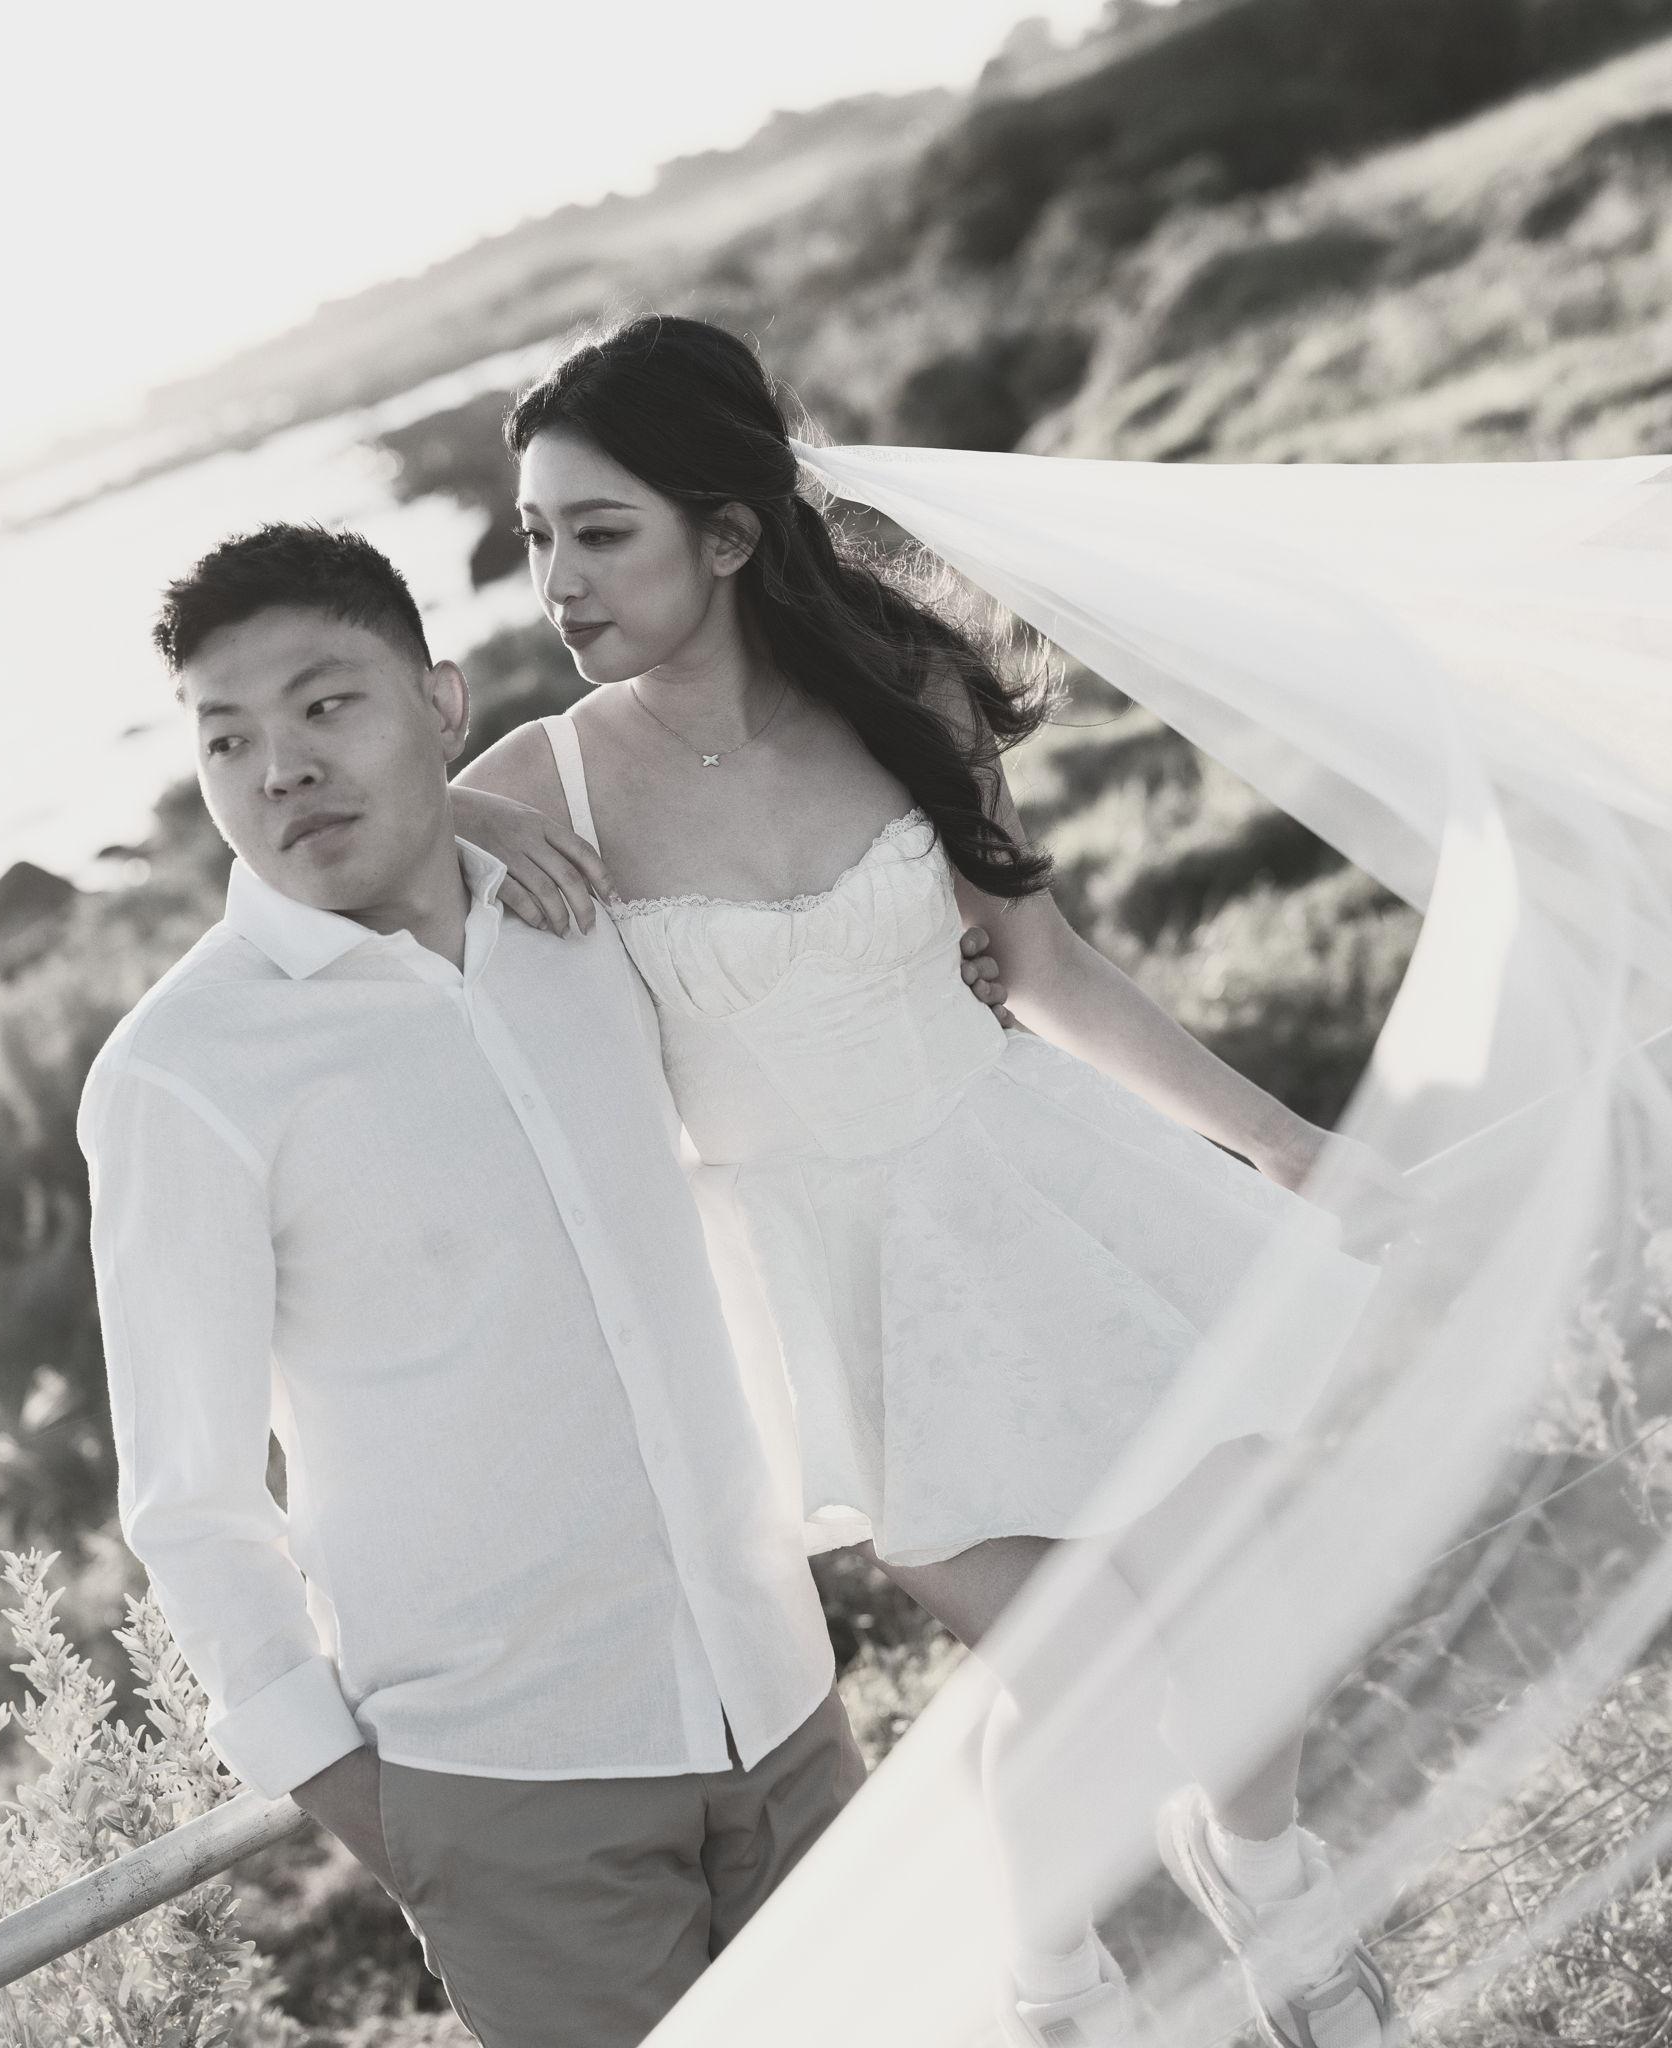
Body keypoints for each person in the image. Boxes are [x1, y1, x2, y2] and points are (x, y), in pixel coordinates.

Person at [451, 315, 1404, 2048]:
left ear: (726, 535)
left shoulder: (904, 690)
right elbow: (329, 890)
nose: (558, 583)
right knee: (1083, 1676)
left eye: (599, 532)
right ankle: (1055, 1989)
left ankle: (1268, 1884)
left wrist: (1278, 1140)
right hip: (833, 1285)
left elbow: (1043, 970)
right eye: (534, 537)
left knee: (1248, 1607)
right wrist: (461, 822)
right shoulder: (543, 781)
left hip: (1031, 1178)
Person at [78, 523, 868, 2048]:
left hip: (780, 1700)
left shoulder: (581, 916)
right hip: (511, 1794)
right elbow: (189, 1500)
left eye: (327, 705)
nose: (282, 770)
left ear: (443, 703)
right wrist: (386, 1815)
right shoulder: (181, 1075)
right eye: (226, 740)